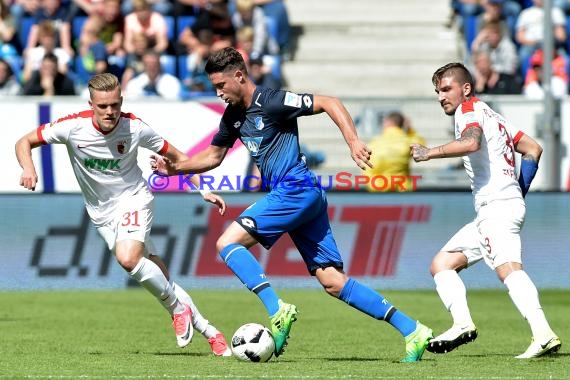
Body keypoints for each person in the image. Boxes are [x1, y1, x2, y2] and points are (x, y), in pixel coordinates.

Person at [151, 47, 434, 362]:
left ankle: (277, 309)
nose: (218, 93)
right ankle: (413, 331)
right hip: (303, 196)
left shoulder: (271, 101)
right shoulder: (233, 117)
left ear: (239, 76)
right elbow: (214, 156)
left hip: (294, 189)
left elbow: (329, 102)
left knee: (227, 242)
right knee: (332, 281)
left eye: (221, 85)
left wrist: (353, 141)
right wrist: (176, 169)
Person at [15, 72, 232, 357]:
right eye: (103, 106)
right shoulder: (72, 127)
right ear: (91, 103)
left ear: (121, 101)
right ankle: (211, 333)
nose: (110, 112)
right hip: (101, 215)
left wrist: (202, 190)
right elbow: (24, 142)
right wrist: (28, 168)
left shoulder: (135, 128)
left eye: (115, 105)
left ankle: (178, 311)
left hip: (134, 199)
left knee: (128, 258)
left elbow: (178, 159)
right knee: (161, 278)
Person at [410, 62, 561, 359]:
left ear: (465, 88)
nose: (441, 96)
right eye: (437, 91)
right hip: (495, 209)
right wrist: (518, 191)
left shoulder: (468, 111)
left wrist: (430, 152)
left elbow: (471, 142)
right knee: (442, 264)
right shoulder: (492, 114)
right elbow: (533, 149)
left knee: (508, 269)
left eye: (446, 89)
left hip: (497, 208)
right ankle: (462, 323)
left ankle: (543, 334)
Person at [362, 111, 425, 192]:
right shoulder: (408, 141)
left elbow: (367, 169)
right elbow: (422, 145)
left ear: (387, 122)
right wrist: (410, 129)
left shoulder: (373, 143)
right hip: (402, 188)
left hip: (378, 188)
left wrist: (373, 185)